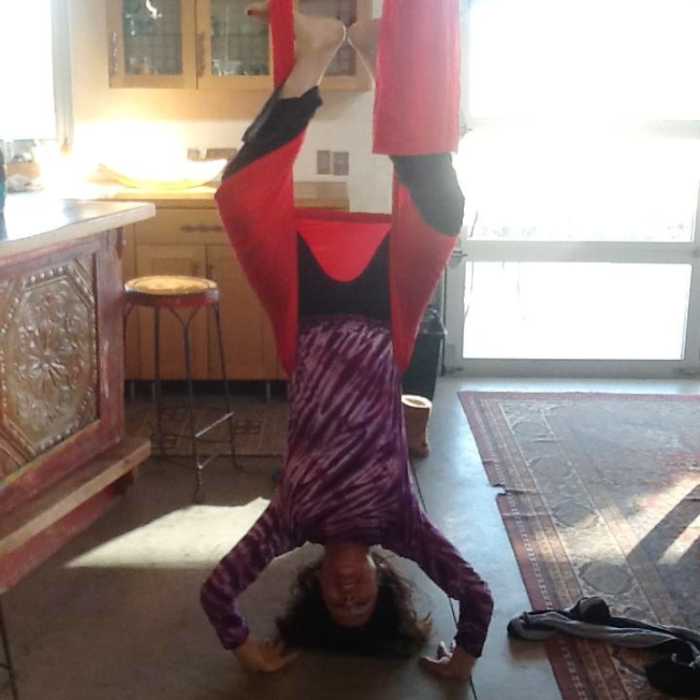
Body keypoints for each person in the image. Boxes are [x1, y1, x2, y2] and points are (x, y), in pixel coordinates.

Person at [200, 1, 494, 681]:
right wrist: (463, 661)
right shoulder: (401, 523)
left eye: (338, 604)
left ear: (317, 590)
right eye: (364, 601)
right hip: (385, 313)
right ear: (383, 580)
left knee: (237, 197)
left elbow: (217, 592)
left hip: (302, 312)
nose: (349, 593)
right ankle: (382, 57)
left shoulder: (290, 521)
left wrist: (249, 652)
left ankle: (315, 54)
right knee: (445, 210)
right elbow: (476, 595)